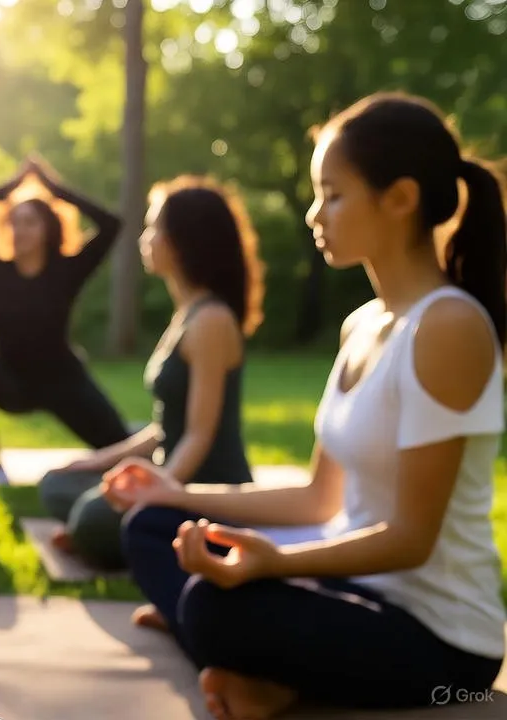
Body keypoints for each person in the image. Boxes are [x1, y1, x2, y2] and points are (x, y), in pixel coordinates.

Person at [109, 92, 506, 718]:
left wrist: (276, 563)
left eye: (334, 193)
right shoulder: (363, 325)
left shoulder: (448, 326)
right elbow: (317, 500)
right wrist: (170, 493)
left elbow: (412, 541)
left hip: (439, 643)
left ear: (400, 199)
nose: (315, 214)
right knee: (151, 527)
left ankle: (256, 669)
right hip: (347, 586)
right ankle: (251, 666)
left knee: (211, 605)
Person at [37, 176, 264, 572]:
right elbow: (164, 428)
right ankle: (114, 532)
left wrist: (159, 492)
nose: (145, 238)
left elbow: (198, 435)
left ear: (184, 240)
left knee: (92, 520)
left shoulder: (211, 320)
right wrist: (95, 461)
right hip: (168, 468)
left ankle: (120, 535)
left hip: (205, 487)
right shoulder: (186, 314)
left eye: (154, 226)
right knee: (58, 481)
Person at [0, 158, 129, 477]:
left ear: (48, 229)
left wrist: (53, 188)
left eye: (30, 223)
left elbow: (111, 224)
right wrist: (7, 189)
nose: (19, 230)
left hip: (64, 382)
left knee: (121, 452)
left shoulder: (67, 270)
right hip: (13, 382)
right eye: (15, 222)